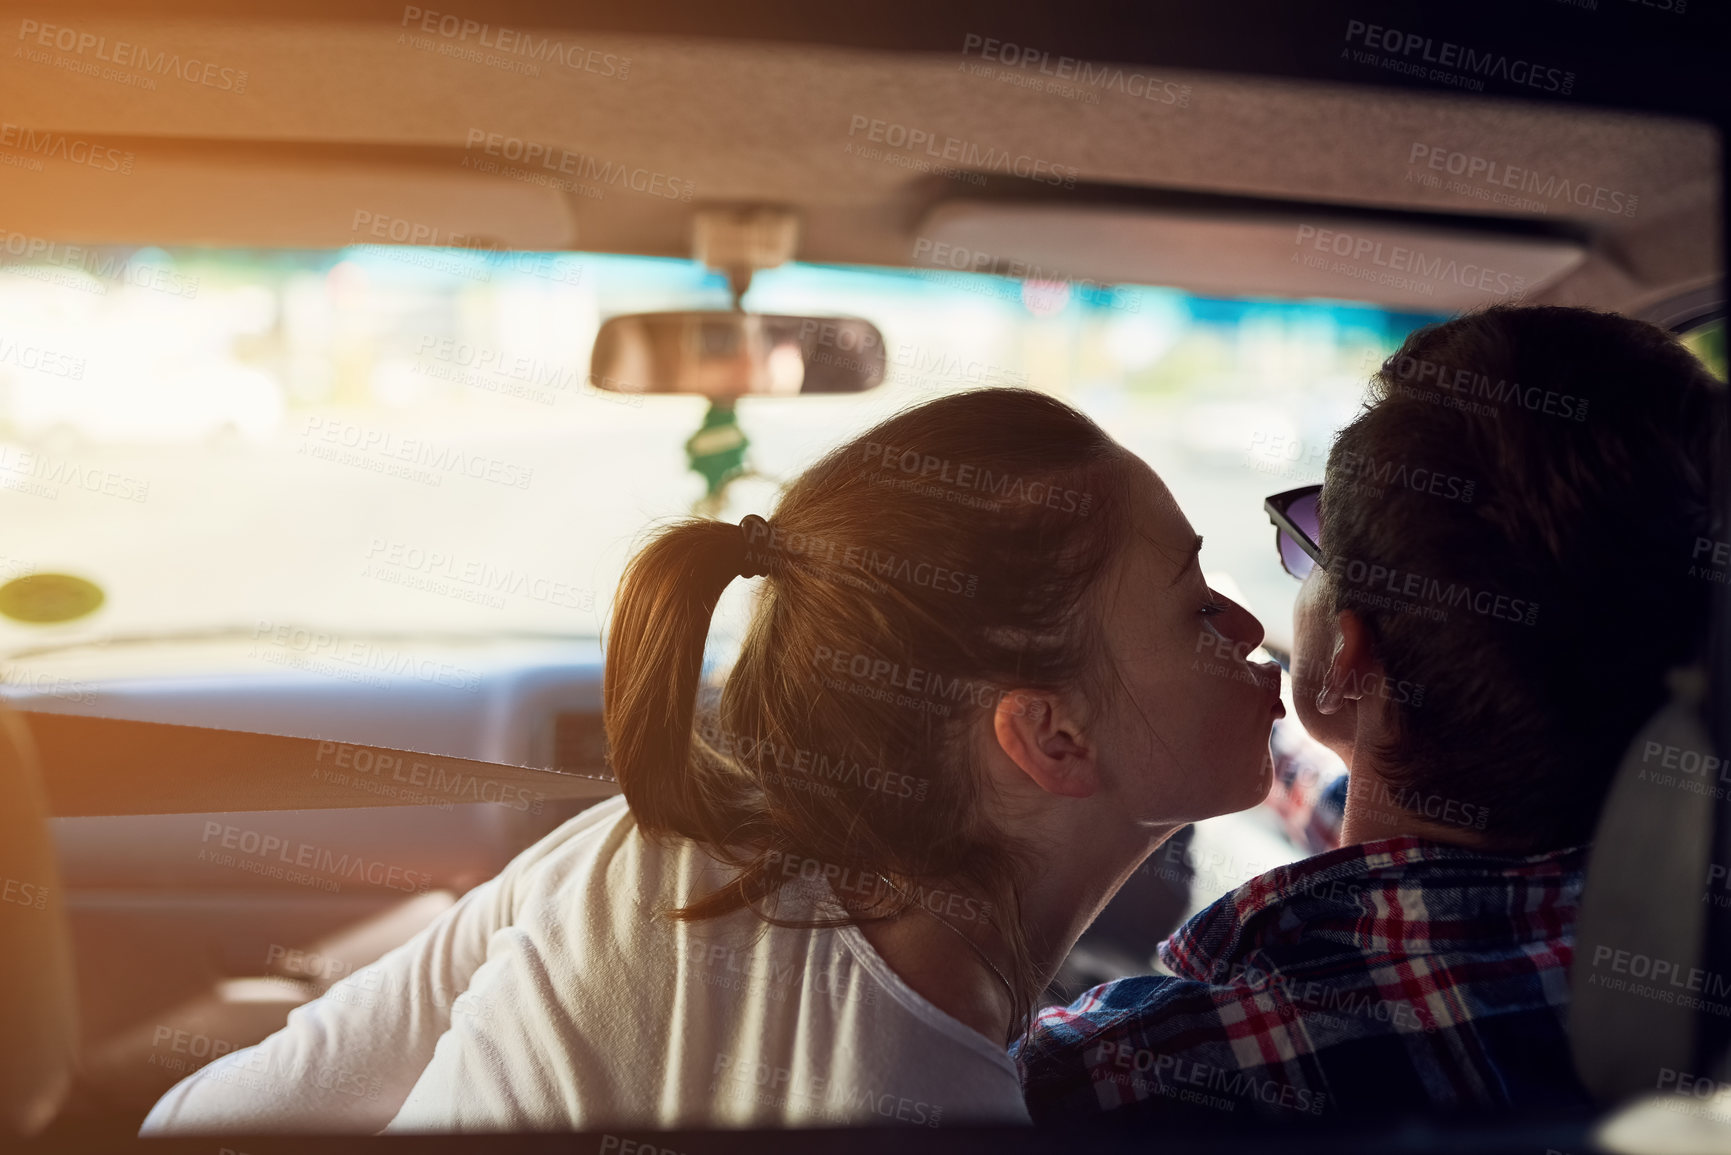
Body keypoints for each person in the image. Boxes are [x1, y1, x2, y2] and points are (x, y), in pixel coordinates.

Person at [140, 387, 1284, 1133]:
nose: (1247, 628)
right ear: (1051, 739)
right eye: (1193, 604)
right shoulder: (947, 1109)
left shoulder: (644, 860)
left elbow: (199, 1126)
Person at [1016, 305, 1727, 1122]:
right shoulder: (1672, 951)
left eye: (1312, 545)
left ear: (1352, 655)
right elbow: (1424, 867)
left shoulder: (1111, 1076)